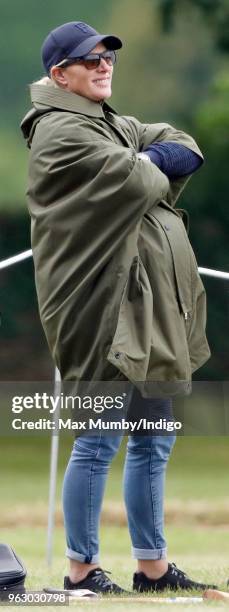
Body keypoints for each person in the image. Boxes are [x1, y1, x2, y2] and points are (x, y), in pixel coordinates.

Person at [21, 21, 215, 595]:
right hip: (102, 310)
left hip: (149, 309)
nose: (105, 65)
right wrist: (148, 157)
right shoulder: (60, 133)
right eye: (90, 59)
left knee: (154, 437)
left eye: (108, 56)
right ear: (60, 75)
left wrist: (149, 153)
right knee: (99, 440)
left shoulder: (107, 122)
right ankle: (80, 569)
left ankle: (151, 568)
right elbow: (141, 179)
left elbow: (184, 146)